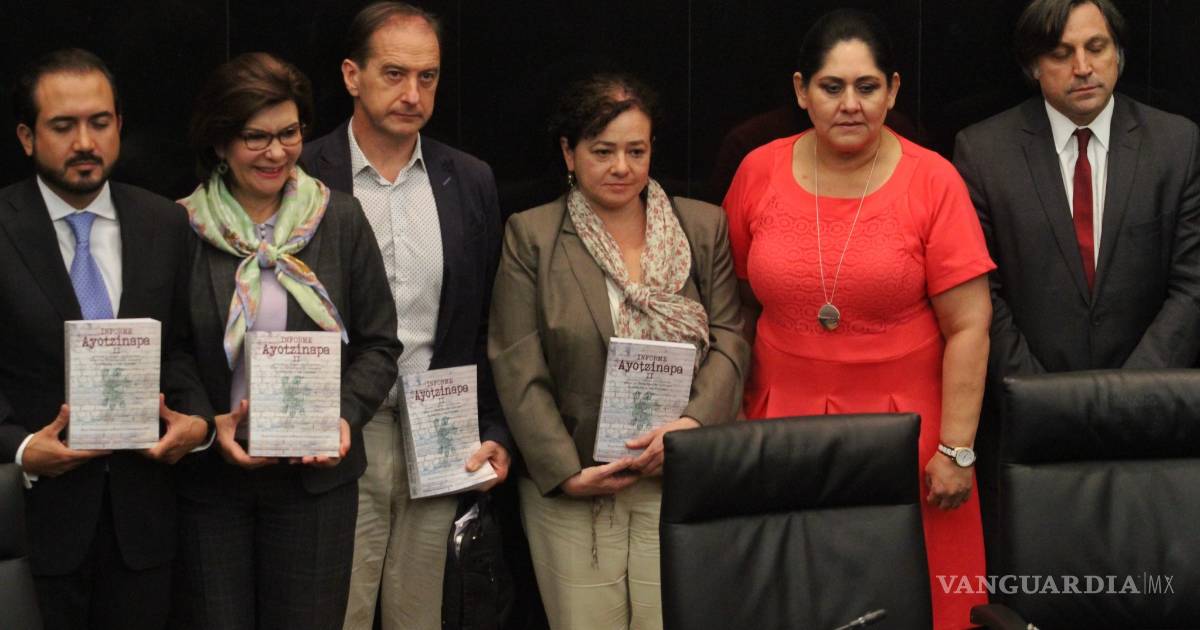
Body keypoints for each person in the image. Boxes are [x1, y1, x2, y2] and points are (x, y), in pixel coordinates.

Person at [723, 10, 995, 629]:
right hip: (779, 426)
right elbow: (735, 301)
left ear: (893, 91)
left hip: (914, 440)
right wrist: (732, 415)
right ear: (801, 91)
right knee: (793, 598)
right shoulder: (758, 170)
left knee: (914, 603)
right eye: (832, 87)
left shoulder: (934, 180)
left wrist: (956, 449)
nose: (850, 104)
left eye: (867, 87)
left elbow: (970, 325)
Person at [489, 72, 748, 630]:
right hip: (578, 484)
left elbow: (731, 336)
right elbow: (516, 360)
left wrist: (692, 424)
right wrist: (565, 472)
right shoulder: (533, 235)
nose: (621, 167)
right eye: (602, 151)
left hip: (681, 474)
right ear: (569, 152)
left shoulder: (702, 227)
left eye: (636, 150)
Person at [952, 0, 1200, 559]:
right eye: (1061, 53)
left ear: (1119, 53)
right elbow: (982, 294)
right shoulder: (982, 151)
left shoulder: (1176, 143)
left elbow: (1193, 286)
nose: (1083, 67)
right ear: (1033, 65)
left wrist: (1127, 398)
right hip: (1028, 428)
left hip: (1151, 424)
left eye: (1096, 47)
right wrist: (1044, 401)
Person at [297, 4, 514, 629]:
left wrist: (494, 428)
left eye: (428, 77)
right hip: (342, 427)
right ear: (352, 75)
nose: (412, 94)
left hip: (439, 428)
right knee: (339, 609)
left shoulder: (468, 180)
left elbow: (485, 321)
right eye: (394, 74)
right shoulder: (305, 173)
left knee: (419, 613)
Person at [169, 52, 401, 630]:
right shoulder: (180, 227)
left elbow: (379, 345)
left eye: (289, 133)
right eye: (256, 137)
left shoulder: (339, 219)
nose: (276, 153)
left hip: (316, 484)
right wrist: (206, 422)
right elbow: (171, 351)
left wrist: (344, 415)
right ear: (220, 142)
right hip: (212, 483)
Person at [0, 48, 212, 630]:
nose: (84, 142)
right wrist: (21, 448)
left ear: (119, 125)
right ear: (26, 137)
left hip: (144, 524)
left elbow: (180, 349)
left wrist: (196, 423)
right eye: (62, 126)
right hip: (32, 525)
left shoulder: (164, 223)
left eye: (99, 122)